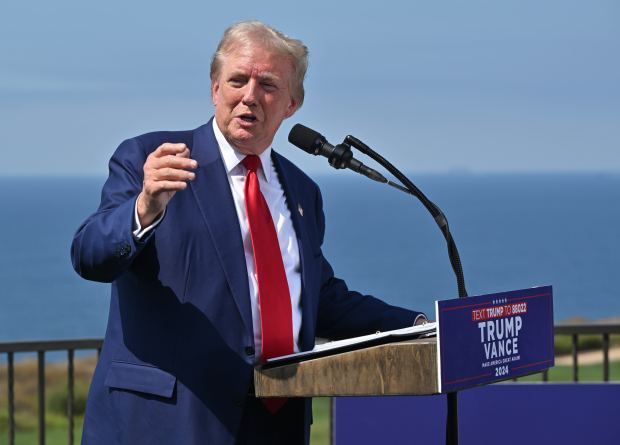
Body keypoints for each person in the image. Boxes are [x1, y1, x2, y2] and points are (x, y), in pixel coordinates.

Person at [71, 20, 426, 445]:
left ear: (293, 103)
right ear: (215, 88)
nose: (250, 96)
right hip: (166, 422)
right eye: (237, 80)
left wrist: (418, 327)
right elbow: (90, 256)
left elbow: (317, 297)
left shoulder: (302, 192)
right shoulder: (154, 161)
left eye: (269, 85)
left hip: (276, 424)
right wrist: (144, 207)